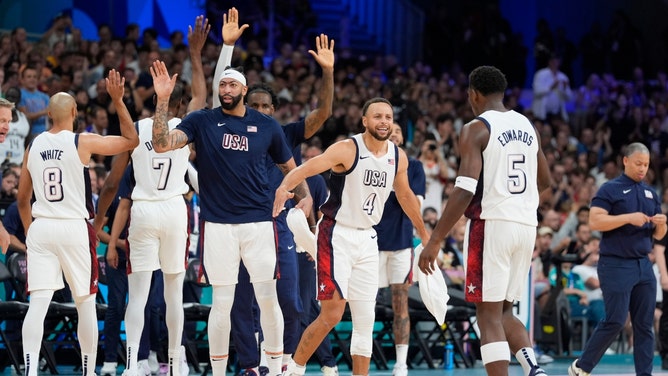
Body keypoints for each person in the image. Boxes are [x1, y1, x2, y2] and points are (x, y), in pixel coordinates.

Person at [150, 57, 311, 376]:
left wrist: (292, 193)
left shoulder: (267, 126)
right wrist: (163, 100)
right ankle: (221, 372)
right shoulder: (202, 121)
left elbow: (292, 171)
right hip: (219, 227)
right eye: (222, 84)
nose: (226, 89)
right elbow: (160, 145)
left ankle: (275, 365)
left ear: (244, 89)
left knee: (268, 299)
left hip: (259, 225)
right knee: (221, 303)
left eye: (232, 84)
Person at [214, 8, 336, 375]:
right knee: (240, 302)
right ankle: (251, 365)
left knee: (290, 301)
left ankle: (282, 363)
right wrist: (225, 49)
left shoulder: (285, 133)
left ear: (276, 110)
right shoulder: (228, 132)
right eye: (257, 105)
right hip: (241, 221)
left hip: (280, 224)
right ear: (246, 104)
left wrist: (327, 73)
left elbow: (324, 113)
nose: (263, 110)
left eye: (269, 106)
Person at [274, 97, 430, 376]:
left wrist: (423, 231)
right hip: (336, 234)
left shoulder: (398, 157)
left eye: (388, 117)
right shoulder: (348, 149)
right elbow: (308, 167)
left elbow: (405, 195)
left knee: (365, 320)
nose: (384, 121)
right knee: (332, 315)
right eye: (378, 116)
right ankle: (293, 371)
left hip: (368, 239)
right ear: (365, 121)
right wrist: (284, 186)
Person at [93, 16, 210, 376]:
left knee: (138, 292)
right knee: (173, 291)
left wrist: (117, 100)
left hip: (142, 210)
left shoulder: (140, 128)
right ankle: (175, 363)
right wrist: (195, 53)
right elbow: (202, 96)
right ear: (177, 106)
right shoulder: (185, 125)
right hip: (175, 209)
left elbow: (113, 182)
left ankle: (131, 366)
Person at [417, 66, 551, 376]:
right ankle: (534, 369)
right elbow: (544, 181)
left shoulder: (476, 128)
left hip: (492, 224)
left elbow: (464, 189)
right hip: (525, 225)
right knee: (504, 310)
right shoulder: (527, 126)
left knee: (486, 315)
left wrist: (435, 240)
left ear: (474, 94)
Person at [14, 70, 139, 376]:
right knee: (85, 302)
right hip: (73, 228)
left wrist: (32, 231)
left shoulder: (33, 145)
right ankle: (87, 371)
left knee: (38, 304)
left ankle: (29, 371)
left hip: (42, 227)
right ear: (74, 113)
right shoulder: (81, 141)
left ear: (48, 115)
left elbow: (21, 199)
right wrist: (119, 101)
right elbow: (130, 140)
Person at [568, 142, 667, 376]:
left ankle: (645, 374)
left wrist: (662, 226)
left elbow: (658, 236)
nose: (643, 169)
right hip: (616, 263)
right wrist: (627, 218)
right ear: (625, 161)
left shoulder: (650, 193)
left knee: (644, 326)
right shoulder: (609, 189)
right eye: (638, 163)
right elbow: (595, 221)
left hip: (643, 264)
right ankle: (582, 367)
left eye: (646, 164)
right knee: (615, 320)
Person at [373, 122, 425, 376]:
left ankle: (401, 363)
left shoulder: (413, 166)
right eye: (389, 130)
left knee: (400, 303)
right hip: (369, 241)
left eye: (397, 132)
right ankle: (361, 355)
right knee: (362, 302)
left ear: (403, 138)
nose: (393, 134)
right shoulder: (367, 162)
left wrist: (397, 183)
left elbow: (414, 203)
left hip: (401, 243)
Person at [531, 54, 573, 122]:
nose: (555, 63)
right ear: (549, 62)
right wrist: (551, 87)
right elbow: (537, 92)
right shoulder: (541, 74)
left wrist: (565, 89)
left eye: (557, 61)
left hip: (557, 114)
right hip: (541, 114)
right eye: (553, 61)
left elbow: (569, 98)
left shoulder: (563, 76)